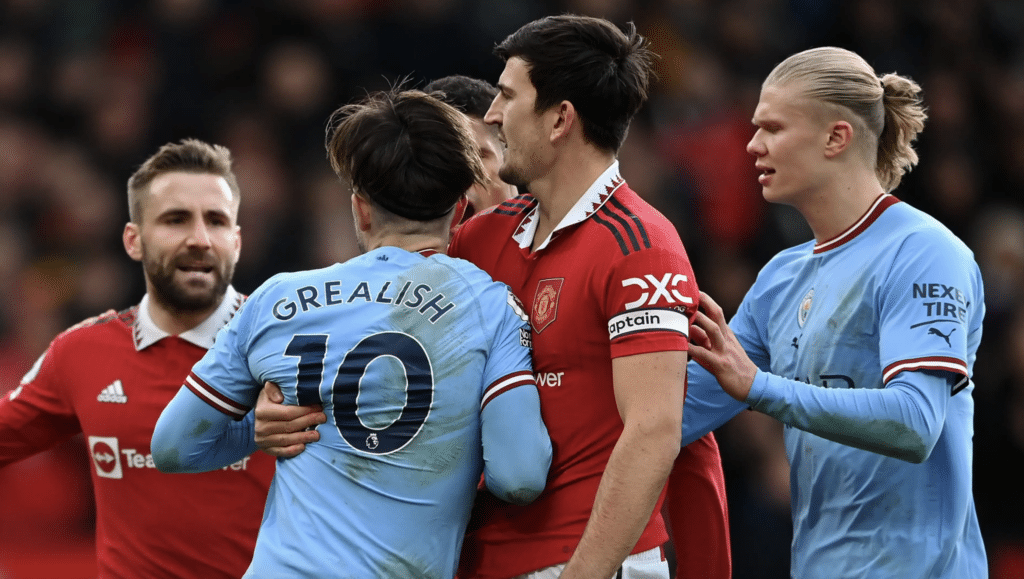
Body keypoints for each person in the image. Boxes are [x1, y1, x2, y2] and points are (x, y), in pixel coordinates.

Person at [253, 18, 732, 579]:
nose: (495, 114)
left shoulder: (642, 248)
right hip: (474, 560)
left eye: (508, 95)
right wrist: (279, 402)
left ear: (559, 119)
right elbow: (378, 340)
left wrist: (585, 573)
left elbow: (653, 433)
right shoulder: (481, 238)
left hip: (579, 562)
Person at [150, 89, 552, 579]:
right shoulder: (490, 306)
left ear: (360, 209)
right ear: (460, 209)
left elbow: (172, 446)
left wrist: (255, 433)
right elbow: (520, 476)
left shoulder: (275, 299)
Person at [683, 46, 988, 578]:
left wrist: (760, 388)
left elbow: (916, 423)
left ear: (836, 137)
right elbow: (672, 414)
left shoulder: (923, 252)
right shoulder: (781, 278)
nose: (752, 145)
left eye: (773, 128)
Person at [0, 138, 275, 579]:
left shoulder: (290, 348)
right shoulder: (80, 353)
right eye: (175, 219)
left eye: (217, 221)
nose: (200, 239)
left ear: (237, 241)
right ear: (134, 240)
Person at [423, 74, 517, 221]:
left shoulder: (558, 237)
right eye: (435, 162)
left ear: (510, 160)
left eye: (471, 158)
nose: (455, 175)